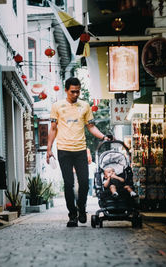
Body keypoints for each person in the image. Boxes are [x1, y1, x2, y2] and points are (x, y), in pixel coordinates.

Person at [46, 77, 110, 227]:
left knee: (84, 184)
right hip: (63, 150)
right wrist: (49, 149)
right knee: (68, 184)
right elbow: (53, 129)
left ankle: (82, 208)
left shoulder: (85, 106)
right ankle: (72, 216)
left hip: (80, 150)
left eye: (78, 91)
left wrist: (104, 136)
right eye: (73, 92)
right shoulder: (57, 106)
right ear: (66, 90)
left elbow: (91, 127)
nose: (76, 94)